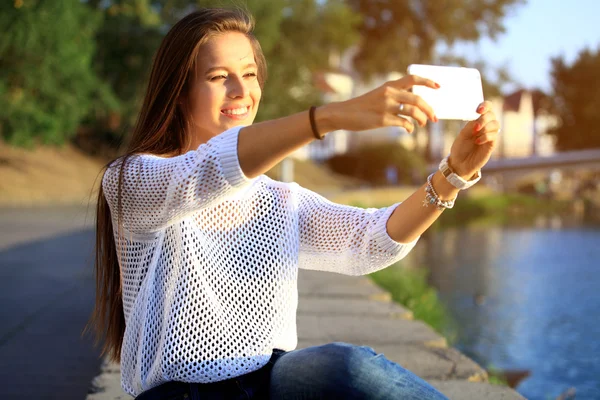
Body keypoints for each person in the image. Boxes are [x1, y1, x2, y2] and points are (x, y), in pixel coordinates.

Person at [86, 7, 500, 400]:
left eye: (249, 73)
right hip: (180, 394)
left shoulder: (279, 201)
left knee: (348, 366)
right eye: (218, 76)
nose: (241, 91)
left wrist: (453, 175)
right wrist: (331, 117)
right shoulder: (132, 181)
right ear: (178, 92)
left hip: (272, 383)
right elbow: (210, 168)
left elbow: (370, 240)